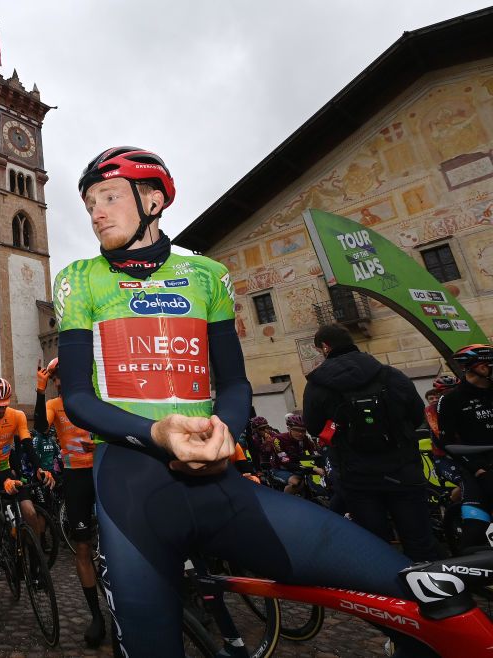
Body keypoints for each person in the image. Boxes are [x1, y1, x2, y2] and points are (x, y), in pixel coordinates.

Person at [56, 146, 436, 656]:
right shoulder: (78, 279)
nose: (96, 212)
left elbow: (234, 382)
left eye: (108, 197)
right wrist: (156, 433)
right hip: (131, 489)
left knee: (423, 596)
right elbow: (77, 397)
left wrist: (226, 430)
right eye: (89, 205)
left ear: (153, 199)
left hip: (220, 482)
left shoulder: (208, 276)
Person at [304, 324, 438, 561]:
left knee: (375, 546)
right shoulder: (389, 373)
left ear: (325, 347)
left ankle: (389, 594)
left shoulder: (317, 384)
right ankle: (432, 592)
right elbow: (417, 414)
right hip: (403, 470)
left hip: (358, 476)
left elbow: (314, 427)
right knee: (420, 543)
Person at [0, 376, 53, 622]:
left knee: (29, 512)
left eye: (4, 405)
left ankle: (35, 568)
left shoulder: (16, 416)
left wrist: (38, 468)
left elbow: (26, 443)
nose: (1, 410)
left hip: (6, 469)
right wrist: (2, 479)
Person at [33, 358, 104, 646]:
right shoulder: (53, 404)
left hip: (104, 472)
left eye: (63, 376)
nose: (59, 382)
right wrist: (39, 392)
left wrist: (100, 443)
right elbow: (39, 427)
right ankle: (96, 616)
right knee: (82, 547)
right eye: (55, 378)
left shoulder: (96, 398)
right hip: (76, 477)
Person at [437, 344, 493, 551]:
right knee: (475, 530)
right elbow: (447, 441)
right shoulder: (451, 399)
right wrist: (478, 469)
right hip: (476, 467)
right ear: (481, 368)